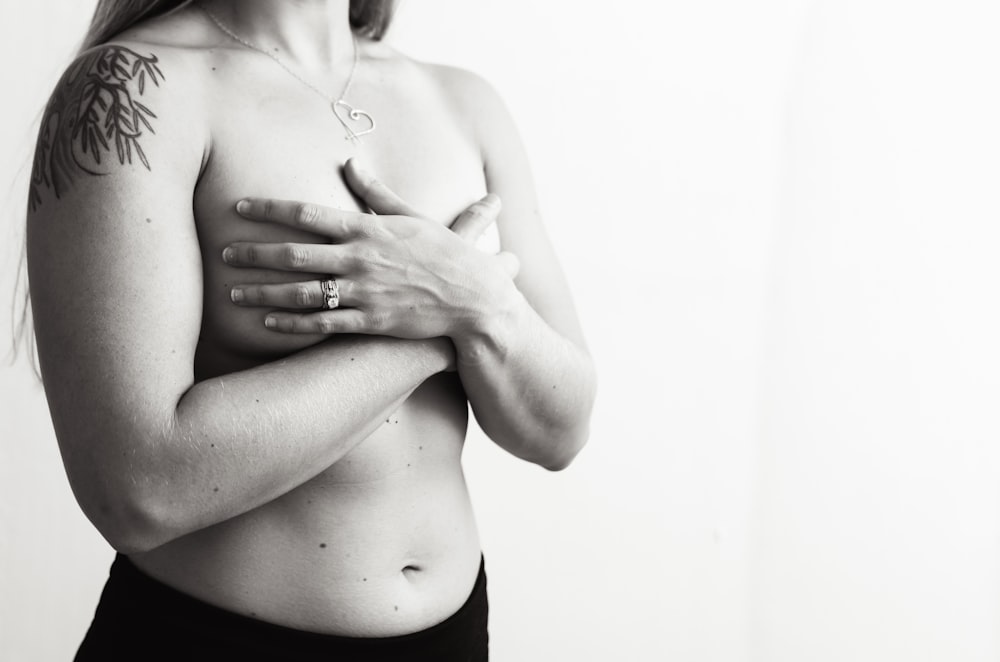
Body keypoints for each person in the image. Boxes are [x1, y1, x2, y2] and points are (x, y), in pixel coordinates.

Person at [26, 0, 596, 659]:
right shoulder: (133, 88)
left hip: (456, 636)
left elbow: (562, 429)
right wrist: (438, 322)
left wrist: (481, 307)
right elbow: (135, 491)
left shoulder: (465, 103)